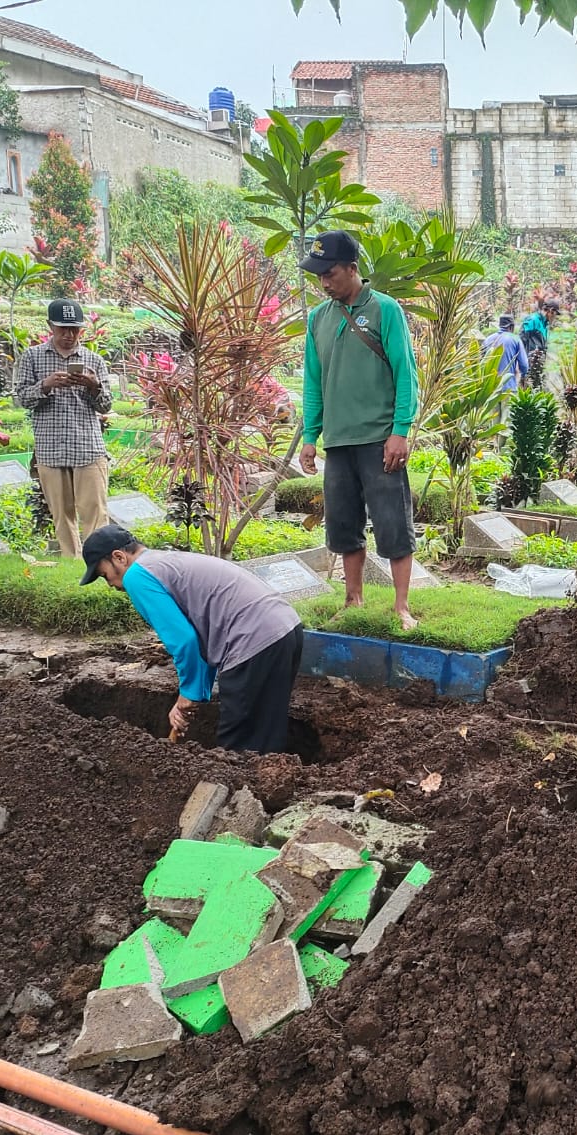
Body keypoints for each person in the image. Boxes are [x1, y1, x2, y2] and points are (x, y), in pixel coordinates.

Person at [80, 524, 305, 752]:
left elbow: (183, 640)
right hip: (285, 628)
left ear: (119, 557)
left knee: (237, 745)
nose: (110, 584)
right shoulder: (162, 562)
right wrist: (194, 694)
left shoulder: (137, 576)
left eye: (103, 575)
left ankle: (234, 786)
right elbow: (201, 638)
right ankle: (266, 783)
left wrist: (188, 693)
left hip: (252, 639)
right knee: (264, 732)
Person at [298, 231, 423, 631]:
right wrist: (310, 437)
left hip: (379, 440)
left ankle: (402, 606)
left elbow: (406, 373)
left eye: (330, 272)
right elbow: (313, 382)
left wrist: (400, 430)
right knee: (343, 524)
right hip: (339, 443)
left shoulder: (385, 310)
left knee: (393, 523)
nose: (324, 282)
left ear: (353, 269)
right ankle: (353, 599)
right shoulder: (318, 318)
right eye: (318, 275)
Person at [15, 298, 113, 559]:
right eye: (62, 329)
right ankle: (73, 566)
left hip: (88, 448)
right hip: (50, 449)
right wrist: (45, 385)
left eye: (74, 329)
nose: (69, 335)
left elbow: (105, 406)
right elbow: (22, 399)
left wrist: (93, 385)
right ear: (50, 326)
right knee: (62, 515)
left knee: (95, 514)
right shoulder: (32, 357)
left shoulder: (94, 360)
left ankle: (98, 566)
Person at [480, 314, 529, 391]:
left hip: (489, 391)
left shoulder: (488, 339)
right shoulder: (515, 339)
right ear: (511, 327)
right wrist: (522, 376)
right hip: (508, 388)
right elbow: (524, 365)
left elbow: (481, 361)